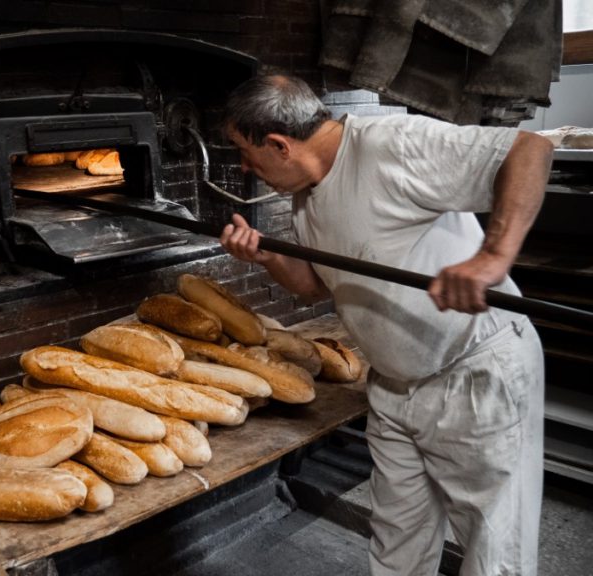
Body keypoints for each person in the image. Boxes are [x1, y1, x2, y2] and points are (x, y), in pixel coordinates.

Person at [219, 74, 553, 576]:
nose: (245, 167)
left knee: (493, 551)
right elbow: (315, 285)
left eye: (245, 153)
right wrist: (268, 257)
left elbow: (528, 149)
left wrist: (494, 256)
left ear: (279, 144)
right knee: (397, 544)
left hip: (473, 374)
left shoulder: (390, 144)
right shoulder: (307, 193)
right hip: (394, 387)